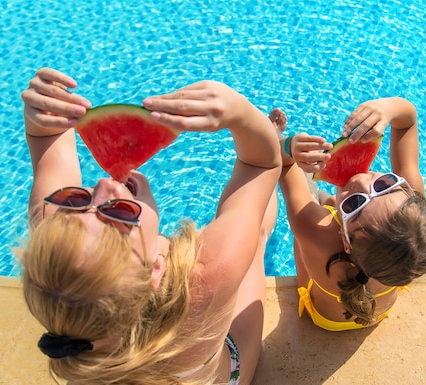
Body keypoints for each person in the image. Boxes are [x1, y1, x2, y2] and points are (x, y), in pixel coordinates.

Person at [17, 67, 282, 385]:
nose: (104, 185)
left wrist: (43, 115)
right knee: (255, 236)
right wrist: (243, 115)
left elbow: (47, 139)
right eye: (117, 215)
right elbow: (260, 165)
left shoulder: (58, 244)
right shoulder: (209, 275)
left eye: (76, 202)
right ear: (156, 270)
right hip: (217, 372)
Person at [276, 97, 426, 331]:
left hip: (324, 320)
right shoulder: (412, 206)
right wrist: (389, 108)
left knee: (306, 194)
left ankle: (275, 135)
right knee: (331, 202)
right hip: (380, 311)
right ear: (407, 190)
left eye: (355, 204)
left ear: (345, 241)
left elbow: (282, 164)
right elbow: (407, 122)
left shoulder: (314, 231)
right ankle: (337, 205)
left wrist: (288, 145)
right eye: (384, 185)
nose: (359, 180)